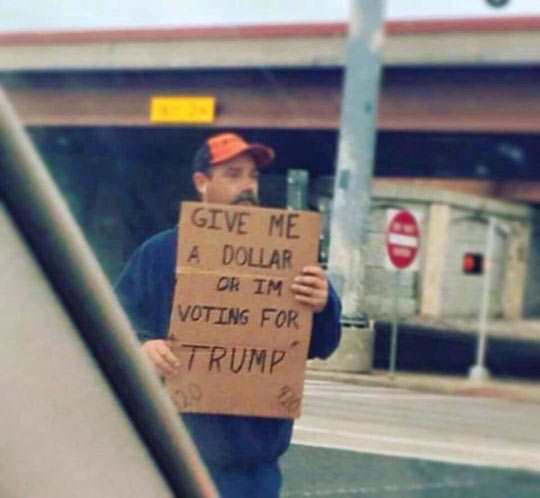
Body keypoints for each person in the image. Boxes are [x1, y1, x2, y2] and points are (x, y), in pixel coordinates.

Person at [115, 132, 341, 498]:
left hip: (255, 471)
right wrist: (142, 347)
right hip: (177, 461)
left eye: (252, 176)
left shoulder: (285, 255)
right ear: (201, 182)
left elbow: (323, 344)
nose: (248, 185)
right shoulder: (158, 254)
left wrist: (323, 304)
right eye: (233, 175)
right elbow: (114, 325)